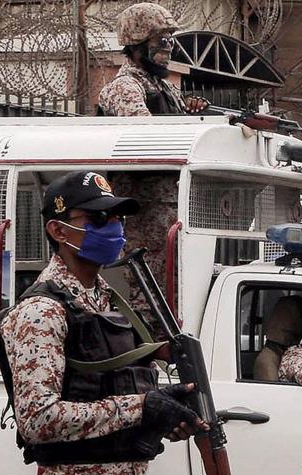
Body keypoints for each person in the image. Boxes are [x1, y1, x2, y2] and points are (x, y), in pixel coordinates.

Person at [0, 171, 207, 475]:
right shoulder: (42, 311)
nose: (112, 228)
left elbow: (119, 389)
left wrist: (163, 411)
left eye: (115, 218)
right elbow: (39, 418)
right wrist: (139, 408)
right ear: (58, 230)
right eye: (96, 219)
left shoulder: (108, 303)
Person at [96, 3, 209, 334]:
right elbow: (147, 138)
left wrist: (193, 115)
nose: (168, 47)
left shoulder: (163, 87)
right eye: (160, 40)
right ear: (136, 43)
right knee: (149, 302)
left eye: (171, 40)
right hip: (145, 216)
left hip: (171, 210)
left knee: (176, 297)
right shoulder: (125, 87)